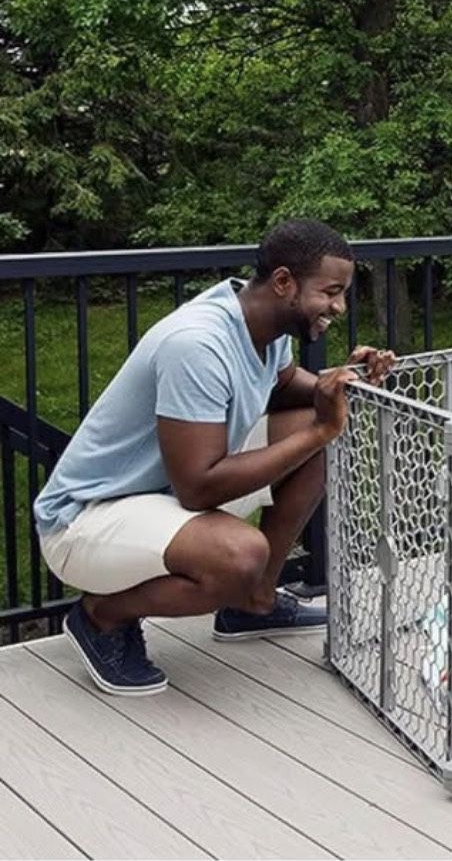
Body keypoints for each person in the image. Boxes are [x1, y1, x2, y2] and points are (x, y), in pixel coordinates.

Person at [33, 219, 394, 697]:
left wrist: (345, 384)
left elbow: (285, 385)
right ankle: (101, 616)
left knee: (313, 433)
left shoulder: (263, 323)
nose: (339, 307)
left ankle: (253, 602)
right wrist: (320, 429)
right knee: (241, 554)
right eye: (330, 292)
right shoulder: (198, 344)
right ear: (283, 282)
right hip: (84, 520)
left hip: (159, 495)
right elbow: (198, 487)